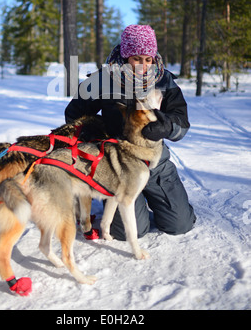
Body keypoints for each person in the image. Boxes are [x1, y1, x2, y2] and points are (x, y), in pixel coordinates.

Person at [65, 24, 196, 240]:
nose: (142, 65)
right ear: (126, 57)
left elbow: (182, 122)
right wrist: (98, 136)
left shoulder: (164, 80)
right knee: (127, 233)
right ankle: (132, 205)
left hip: (155, 164)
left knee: (180, 225)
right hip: (119, 167)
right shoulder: (103, 79)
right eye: (136, 59)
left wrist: (167, 126)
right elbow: (73, 115)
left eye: (148, 59)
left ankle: (164, 203)